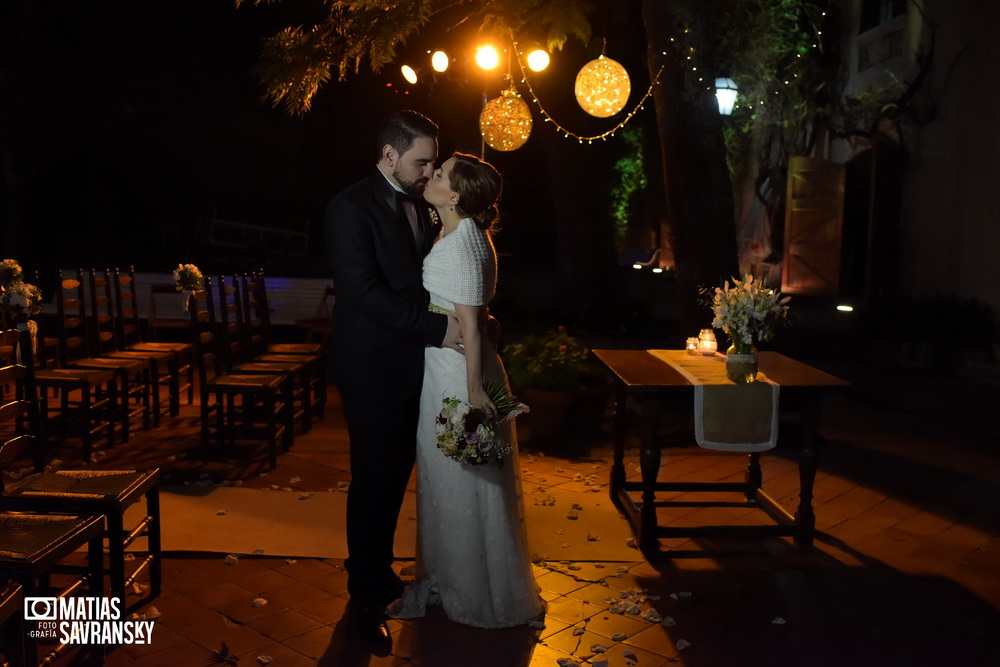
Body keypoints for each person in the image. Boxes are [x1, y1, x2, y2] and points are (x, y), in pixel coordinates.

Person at [325, 110, 462, 653]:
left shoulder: (420, 205)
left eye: (433, 161)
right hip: (372, 368)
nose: (430, 172)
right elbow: (363, 292)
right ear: (389, 156)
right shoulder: (348, 208)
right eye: (421, 161)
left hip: (414, 367)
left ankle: (377, 572)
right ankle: (363, 599)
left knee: (396, 477)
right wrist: (441, 331)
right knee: (374, 481)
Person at [393, 153, 546, 628]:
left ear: (455, 195)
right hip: (454, 368)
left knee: (456, 478)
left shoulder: (461, 244)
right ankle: (457, 574)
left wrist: (474, 390)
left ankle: (470, 587)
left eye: (440, 174)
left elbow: (472, 328)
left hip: (455, 376)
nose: (431, 175)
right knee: (459, 481)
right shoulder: (466, 235)